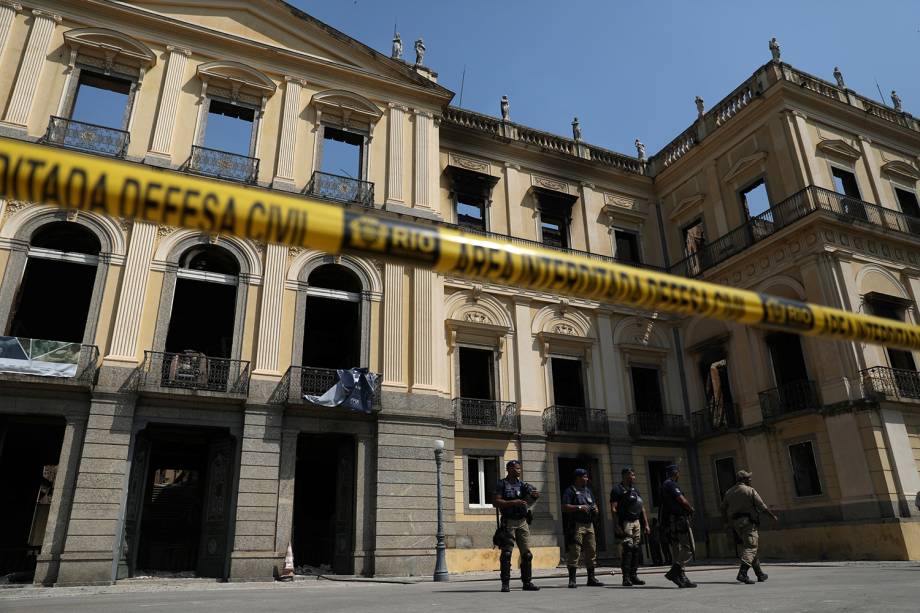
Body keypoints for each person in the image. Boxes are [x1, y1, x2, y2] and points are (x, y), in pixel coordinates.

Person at [720, 470, 778, 584]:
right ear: (743, 479)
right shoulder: (750, 490)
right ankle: (743, 573)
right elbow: (762, 506)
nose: (750, 479)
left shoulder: (729, 492)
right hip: (748, 523)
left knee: (749, 547)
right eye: (748, 478)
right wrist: (772, 516)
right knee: (751, 547)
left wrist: (726, 522)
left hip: (736, 524)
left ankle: (759, 573)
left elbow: (723, 508)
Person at [492, 459, 540, 592]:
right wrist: (513, 503)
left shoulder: (523, 485)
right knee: (507, 553)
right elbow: (495, 502)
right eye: (516, 468)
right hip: (509, 522)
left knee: (527, 554)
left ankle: (527, 582)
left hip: (522, 522)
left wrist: (535, 495)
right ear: (509, 469)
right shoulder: (502, 484)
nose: (519, 470)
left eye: (519, 468)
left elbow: (533, 495)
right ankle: (505, 583)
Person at [561, 468, 604, 588]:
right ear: (578, 478)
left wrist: (595, 509)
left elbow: (594, 504)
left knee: (591, 551)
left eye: (587, 477)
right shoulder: (570, 491)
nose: (587, 479)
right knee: (575, 551)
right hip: (576, 525)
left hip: (589, 525)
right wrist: (579, 507)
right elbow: (564, 507)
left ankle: (591, 578)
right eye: (584, 477)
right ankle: (572, 579)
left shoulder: (588, 491)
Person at [610, 467, 650, 586]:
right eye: (632, 475)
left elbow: (642, 507)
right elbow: (613, 508)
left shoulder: (635, 490)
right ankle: (626, 577)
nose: (633, 477)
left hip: (636, 521)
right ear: (625, 475)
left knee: (636, 549)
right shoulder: (617, 489)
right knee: (628, 548)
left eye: (634, 475)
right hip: (625, 522)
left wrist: (646, 524)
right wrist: (616, 525)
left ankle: (634, 576)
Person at [659, 464, 697, 588]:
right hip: (679, 520)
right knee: (689, 547)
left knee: (677, 549)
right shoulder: (670, 484)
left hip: (671, 521)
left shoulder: (665, 485)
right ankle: (674, 571)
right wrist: (690, 509)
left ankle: (681, 577)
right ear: (675, 473)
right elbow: (682, 500)